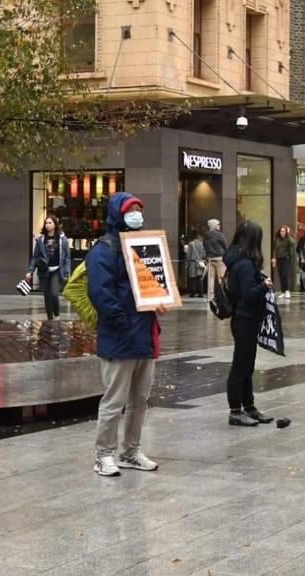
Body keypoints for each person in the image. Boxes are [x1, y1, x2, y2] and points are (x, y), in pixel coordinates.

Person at [89, 193, 166, 477]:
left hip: (144, 336)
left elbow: (152, 286)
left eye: (139, 210)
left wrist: (158, 302)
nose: (136, 215)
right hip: (120, 338)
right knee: (114, 401)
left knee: (139, 401)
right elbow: (100, 292)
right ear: (117, 213)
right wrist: (122, 322)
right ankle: (103, 455)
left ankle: (130, 452)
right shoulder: (104, 249)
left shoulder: (143, 246)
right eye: (131, 210)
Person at [224, 221, 275, 426]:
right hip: (244, 318)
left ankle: (249, 406)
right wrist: (264, 285)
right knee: (241, 365)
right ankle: (236, 410)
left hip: (246, 318)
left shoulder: (241, 260)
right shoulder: (244, 264)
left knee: (247, 364)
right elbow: (248, 294)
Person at [26, 215, 72, 319]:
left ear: (55, 224)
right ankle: (50, 318)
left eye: (50, 223)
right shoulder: (41, 239)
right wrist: (30, 271)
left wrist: (66, 273)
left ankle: (57, 315)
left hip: (57, 270)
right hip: (44, 270)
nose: (47, 225)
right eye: (46, 223)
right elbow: (35, 257)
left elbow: (67, 258)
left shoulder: (62, 239)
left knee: (54, 294)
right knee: (47, 296)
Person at [271, 225, 295, 301]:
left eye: (284, 231)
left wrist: (288, 235)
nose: (282, 232)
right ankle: (283, 291)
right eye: (281, 231)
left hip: (286, 259)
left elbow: (293, 243)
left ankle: (287, 291)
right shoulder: (277, 239)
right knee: (281, 275)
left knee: (284, 274)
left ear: (286, 232)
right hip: (279, 259)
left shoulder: (288, 239)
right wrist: (274, 258)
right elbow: (275, 249)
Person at [204, 218, 228, 287]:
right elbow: (225, 246)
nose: (219, 226)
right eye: (218, 225)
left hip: (210, 259)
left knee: (210, 279)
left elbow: (204, 246)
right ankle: (222, 295)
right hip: (220, 259)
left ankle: (210, 297)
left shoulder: (206, 235)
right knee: (222, 278)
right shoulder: (220, 235)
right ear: (214, 225)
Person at [184, 231, 206, 298]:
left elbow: (188, 255)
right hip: (199, 262)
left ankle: (193, 293)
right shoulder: (202, 243)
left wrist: (186, 263)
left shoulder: (191, 244)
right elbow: (204, 254)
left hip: (192, 262)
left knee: (192, 278)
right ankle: (201, 293)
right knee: (199, 278)